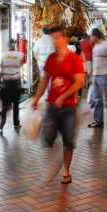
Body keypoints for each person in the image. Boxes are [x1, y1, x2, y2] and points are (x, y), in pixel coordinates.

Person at [32, 26, 85, 184]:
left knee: (68, 141)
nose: (54, 41)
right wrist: (36, 98)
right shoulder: (51, 59)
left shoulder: (75, 59)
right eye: (52, 38)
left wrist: (63, 96)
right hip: (52, 106)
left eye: (57, 38)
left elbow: (79, 83)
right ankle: (55, 158)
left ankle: (66, 171)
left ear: (65, 39)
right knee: (48, 137)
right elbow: (44, 79)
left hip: (69, 106)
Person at [0, 40, 24, 134]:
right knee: (16, 104)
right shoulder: (20, 55)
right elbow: (21, 65)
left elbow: (1, 68)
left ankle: (2, 123)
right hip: (16, 82)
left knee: (5, 105)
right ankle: (16, 123)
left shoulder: (3, 55)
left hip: (6, 82)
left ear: (8, 46)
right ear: (15, 45)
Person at [33, 27, 55, 99]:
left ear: (42, 32)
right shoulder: (53, 40)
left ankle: (46, 95)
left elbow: (35, 53)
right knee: (51, 78)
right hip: (52, 63)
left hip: (42, 63)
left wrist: (38, 60)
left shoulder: (39, 41)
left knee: (44, 78)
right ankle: (51, 94)